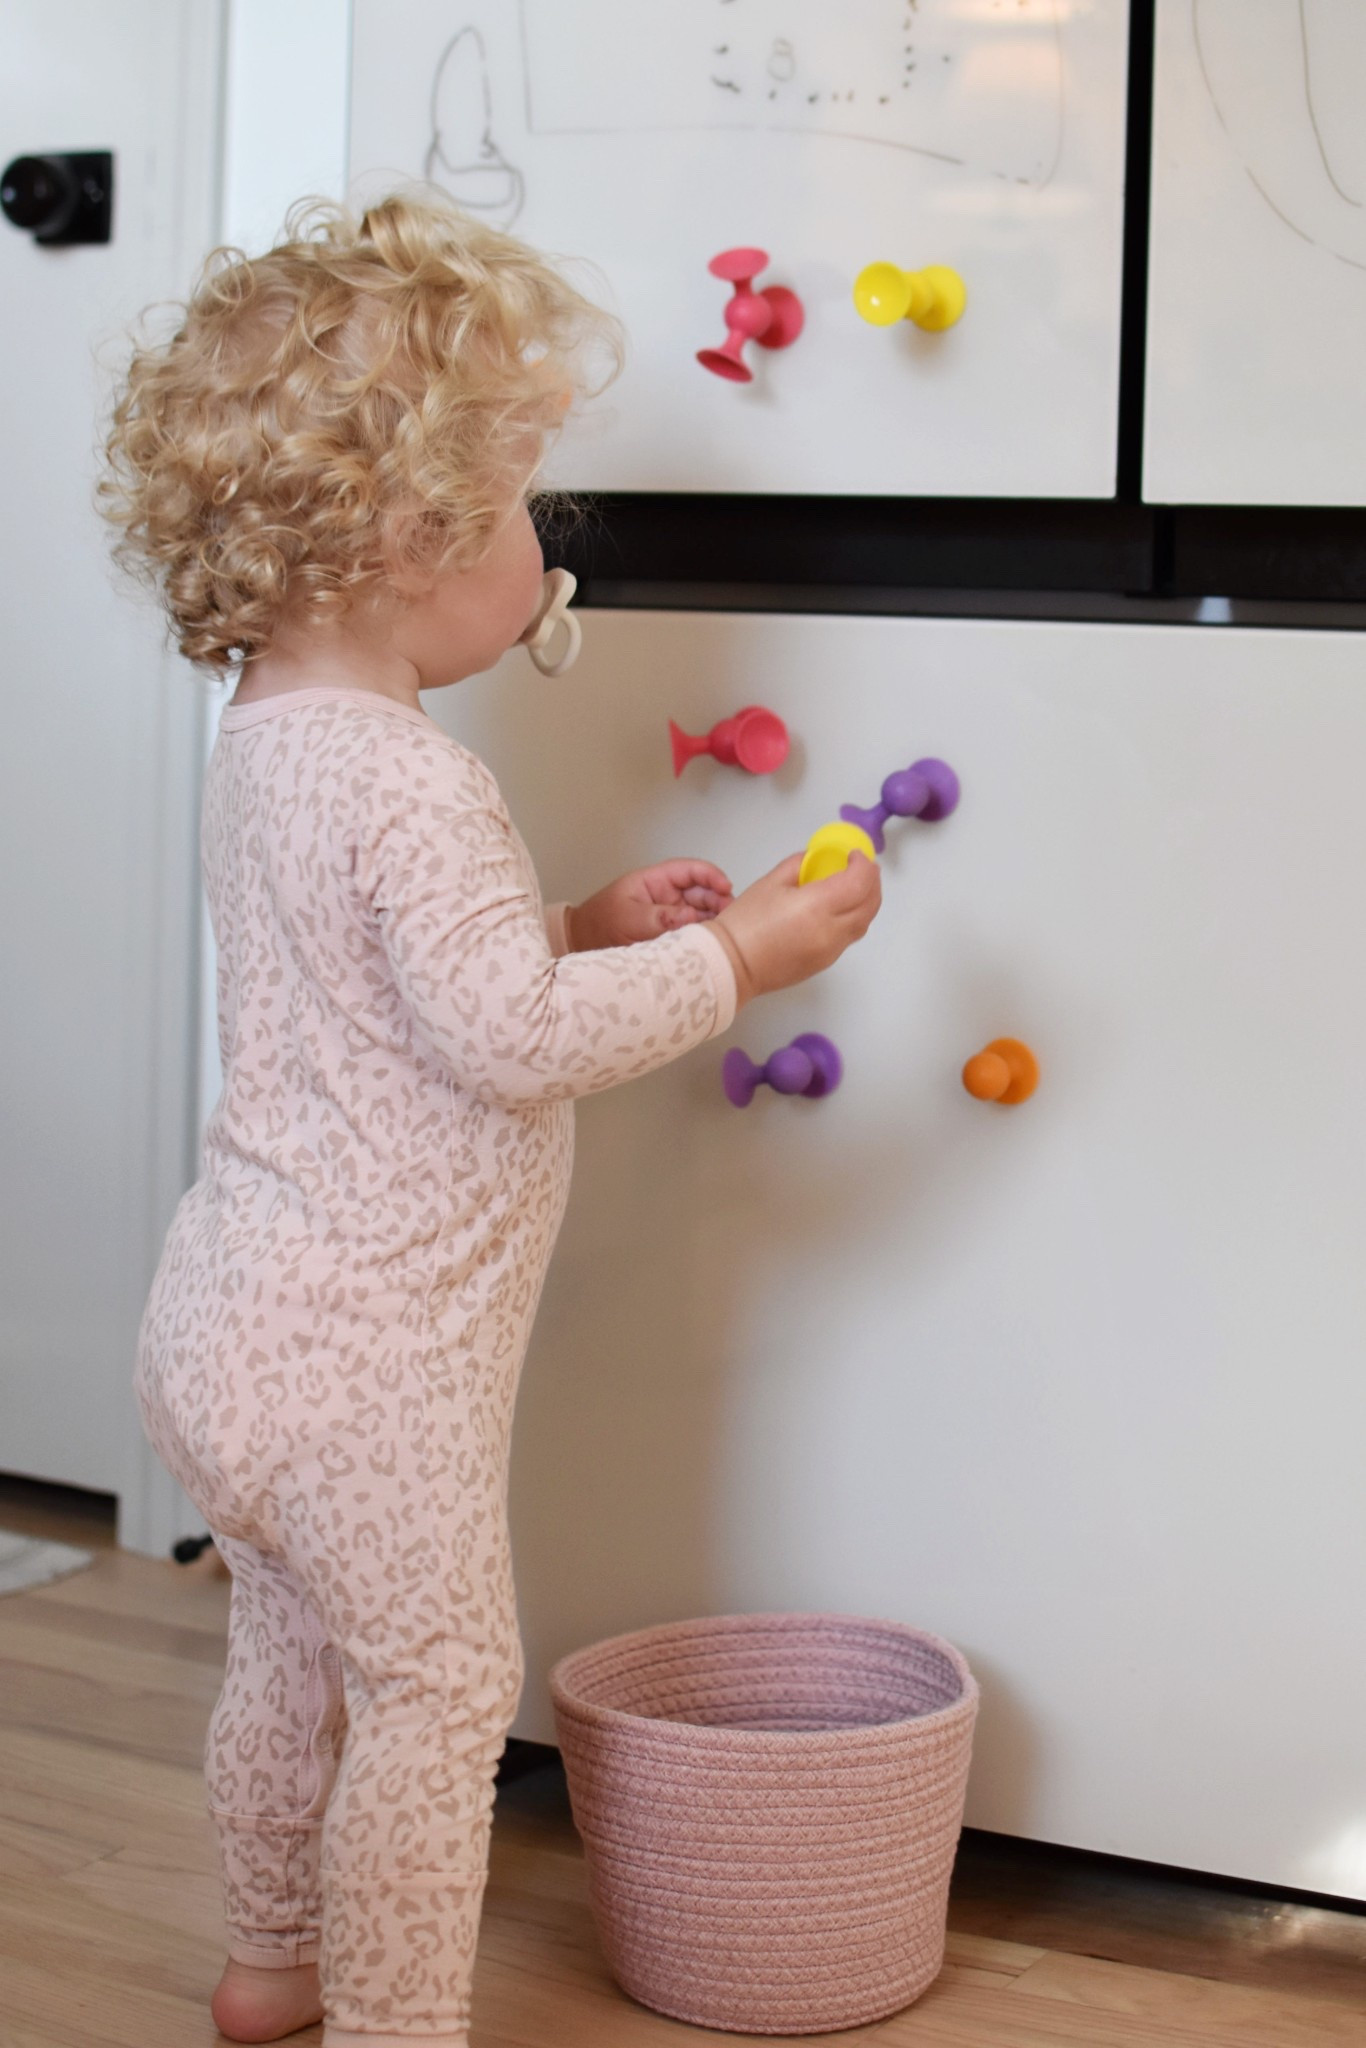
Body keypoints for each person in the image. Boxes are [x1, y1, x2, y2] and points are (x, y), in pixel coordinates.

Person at [99, 190, 881, 2048]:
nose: (546, 545)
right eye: (525, 500)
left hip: (223, 1333)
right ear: (408, 537)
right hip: (373, 1367)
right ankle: (392, 2020)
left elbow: (391, 1002)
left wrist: (581, 925)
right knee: (443, 1695)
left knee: (287, 1660)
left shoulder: (266, 748)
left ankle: (270, 1958)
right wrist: (743, 962)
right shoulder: (421, 783)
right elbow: (509, 1045)